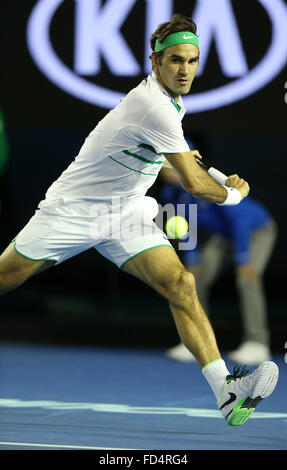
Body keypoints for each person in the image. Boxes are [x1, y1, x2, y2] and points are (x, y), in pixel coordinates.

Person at [0, 14, 278, 426]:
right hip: (75, 210)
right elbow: (197, 187)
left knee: (181, 284)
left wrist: (176, 155)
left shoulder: (170, 104)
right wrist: (234, 193)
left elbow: (154, 157)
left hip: (124, 211)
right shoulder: (154, 106)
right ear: (155, 61)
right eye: (175, 61)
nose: (185, 70)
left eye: (192, 61)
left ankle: (227, 392)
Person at [161, 166, 277, 365]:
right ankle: (196, 343)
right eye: (163, 166)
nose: (165, 170)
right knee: (194, 280)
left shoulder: (209, 184)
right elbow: (186, 226)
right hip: (223, 237)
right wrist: (193, 259)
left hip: (255, 231)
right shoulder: (170, 193)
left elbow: (240, 220)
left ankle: (257, 343)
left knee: (247, 279)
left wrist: (243, 258)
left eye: (170, 164)